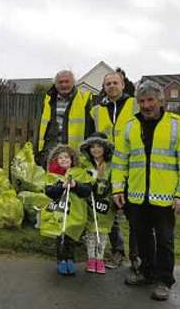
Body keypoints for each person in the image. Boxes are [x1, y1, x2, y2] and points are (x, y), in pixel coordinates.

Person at [112, 80, 180, 301]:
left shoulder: (177, 125)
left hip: (165, 198)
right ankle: (147, 272)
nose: (146, 105)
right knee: (142, 237)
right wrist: (117, 189)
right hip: (136, 195)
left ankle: (164, 280)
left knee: (165, 241)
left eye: (150, 100)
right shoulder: (130, 126)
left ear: (161, 101)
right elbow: (120, 161)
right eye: (141, 101)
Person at [90, 72, 139, 270]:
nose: (111, 86)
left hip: (133, 166)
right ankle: (117, 251)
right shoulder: (98, 110)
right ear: (104, 87)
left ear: (123, 84)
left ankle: (136, 256)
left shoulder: (135, 104)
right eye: (108, 83)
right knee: (109, 210)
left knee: (134, 214)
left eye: (115, 83)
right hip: (108, 167)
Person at [41, 145, 92, 276]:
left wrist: (76, 185)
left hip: (75, 212)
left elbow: (86, 190)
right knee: (61, 236)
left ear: (72, 159)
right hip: (59, 211)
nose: (64, 160)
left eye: (66, 157)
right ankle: (62, 260)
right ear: (55, 160)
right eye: (60, 158)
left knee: (71, 237)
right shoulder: (52, 175)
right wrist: (61, 187)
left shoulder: (79, 173)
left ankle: (70, 258)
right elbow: (49, 191)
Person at [38, 70, 96, 166]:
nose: (63, 85)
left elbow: (90, 129)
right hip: (51, 152)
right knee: (51, 178)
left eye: (67, 81)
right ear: (55, 84)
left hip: (74, 154)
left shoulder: (84, 99)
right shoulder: (48, 100)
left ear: (73, 83)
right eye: (60, 82)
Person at [80, 132, 117, 274]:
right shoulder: (85, 163)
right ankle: (91, 258)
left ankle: (100, 258)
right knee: (90, 231)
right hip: (90, 201)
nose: (96, 150)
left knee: (102, 232)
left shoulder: (111, 164)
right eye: (92, 147)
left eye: (99, 146)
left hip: (106, 204)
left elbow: (116, 179)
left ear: (105, 148)